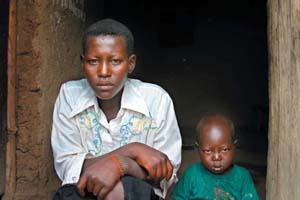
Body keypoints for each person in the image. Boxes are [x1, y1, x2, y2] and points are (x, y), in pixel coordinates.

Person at [51, 18, 182, 200]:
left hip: (139, 195)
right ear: (82, 62)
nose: (104, 72)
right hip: (84, 193)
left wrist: (121, 165)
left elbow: (165, 173)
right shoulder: (69, 95)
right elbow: (69, 167)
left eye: (115, 61)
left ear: (131, 63)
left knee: (126, 187)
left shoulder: (156, 100)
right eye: (93, 61)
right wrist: (132, 151)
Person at [171, 115, 259, 200]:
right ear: (198, 148)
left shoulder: (242, 177)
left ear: (234, 146)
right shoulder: (191, 174)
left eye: (224, 150)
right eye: (208, 151)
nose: (217, 157)